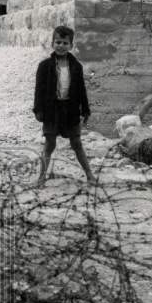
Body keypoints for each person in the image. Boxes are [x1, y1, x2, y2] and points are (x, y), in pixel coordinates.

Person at [32, 25, 98, 188]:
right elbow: (39, 90)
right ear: (52, 43)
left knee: (77, 143)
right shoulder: (45, 66)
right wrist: (38, 109)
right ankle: (41, 177)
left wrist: (85, 110)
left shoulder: (76, 66)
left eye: (65, 43)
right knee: (50, 144)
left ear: (71, 45)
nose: (61, 46)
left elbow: (81, 90)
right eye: (58, 42)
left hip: (70, 110)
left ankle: (90, 175)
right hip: (52, 110)